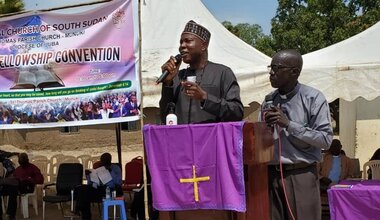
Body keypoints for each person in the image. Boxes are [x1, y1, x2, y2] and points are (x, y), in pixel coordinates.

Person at [262, 49, 333, 220]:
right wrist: (265, 128)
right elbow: (261, 141)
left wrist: (289, 125)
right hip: (271, 176)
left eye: (277, 67)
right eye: (270, 67)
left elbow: (326, 140)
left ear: (294, 71)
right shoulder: (269, 100)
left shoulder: (313, 98)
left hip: (300, 174)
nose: (271, 72)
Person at [159, 20, 243, 124]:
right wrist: (167, 84)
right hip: (182, 139)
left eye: (188, 41)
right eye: (181, 42)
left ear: (203, 46)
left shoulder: (223, 73)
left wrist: (205, 98)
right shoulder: (177, 77)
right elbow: (164, 117)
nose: (182, 46)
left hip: (213, 139)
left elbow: (237, 112)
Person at [74, 153, 122, 220]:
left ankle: (78, 209)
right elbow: (91, 183)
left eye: (106, 160)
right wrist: (88, 176)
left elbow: (118, 182)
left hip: (109, 190)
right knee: (82, 189)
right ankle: (81, 212)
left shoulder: (115, 168)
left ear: (110, 160)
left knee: (85, 196)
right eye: (102, 160)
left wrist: (110, 172)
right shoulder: (99, 168)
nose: (103, 162)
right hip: (97, 188)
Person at [0, 153, 44, 220]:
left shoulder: (33, 168)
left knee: (13, 188)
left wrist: (28, 178)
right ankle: (8, 215)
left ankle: (11, 215)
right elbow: (14, 176)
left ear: (27, 160)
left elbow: (40, 180)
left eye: (23, 159)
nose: (21, 161)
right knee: (9, 188)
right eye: (20, 160)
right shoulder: (18, 169)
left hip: (27, 187)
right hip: (15, 187)